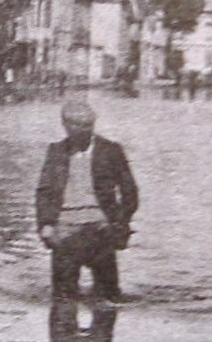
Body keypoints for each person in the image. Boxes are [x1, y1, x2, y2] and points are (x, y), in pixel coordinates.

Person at [36, 97, 138, 302]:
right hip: (65, 231)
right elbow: (44, 192)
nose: (84, 131)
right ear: (65, 126)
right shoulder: (56, 152)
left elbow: (130, 191)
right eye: (77, 127)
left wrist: (121, 223)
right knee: (63, 298)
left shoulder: (110, 150)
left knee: (109, 297)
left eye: (88, 126)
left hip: (101, 228)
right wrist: (46, 224)